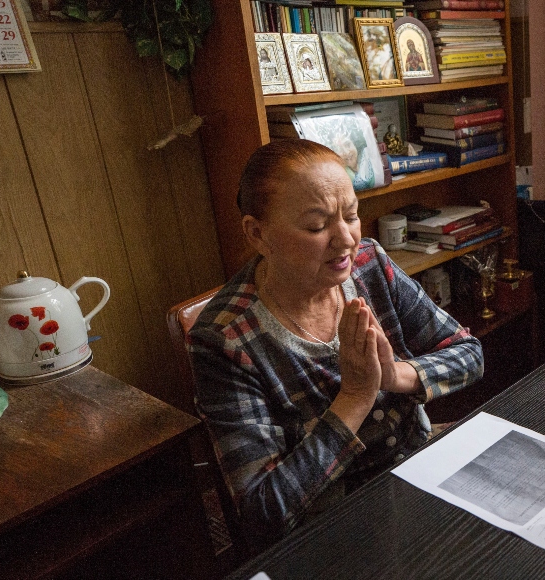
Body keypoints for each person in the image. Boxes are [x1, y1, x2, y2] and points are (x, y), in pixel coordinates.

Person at [188, 140, 484, 549]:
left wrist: (396, 375)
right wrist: (357, 396)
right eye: (316, 226)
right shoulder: (223, 340)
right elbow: (262, 512)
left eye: (351, 215)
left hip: (417, 472)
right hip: (329, 530)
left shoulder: (369, 264)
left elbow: (468, 353)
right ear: (257, 233)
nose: (345, 239)